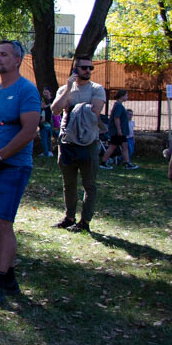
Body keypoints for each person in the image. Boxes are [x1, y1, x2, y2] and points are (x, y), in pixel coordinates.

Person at [0, 40, 41, 308]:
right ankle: (8, 278)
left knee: (3, 221)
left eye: (4, 54)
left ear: (17, 60)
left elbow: (29, 131)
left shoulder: (27, 90)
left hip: (13, 167)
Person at [51, 55, 105, 233]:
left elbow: (95, 111)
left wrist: (72, 108)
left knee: (89, 185)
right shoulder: (64, 89)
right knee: (69, 184)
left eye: (91, 68)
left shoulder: (97, 89)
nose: (88, 71)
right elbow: (55, 110)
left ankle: (85, 222)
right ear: (75, 69)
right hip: (67, 143)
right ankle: (69, 218)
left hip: (89, 143)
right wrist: (68, 89)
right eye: (84, 68)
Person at [101, 90, 138, 170]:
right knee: (113, 146)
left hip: (121, 131)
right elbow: (116, 118)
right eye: (126, 95)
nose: (127, 97)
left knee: (124, 146)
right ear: (122, 96)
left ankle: (127, 163)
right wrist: (119, 130)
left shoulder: (119, 105)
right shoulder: (118, 106)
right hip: (117, 131)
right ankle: (103, 162)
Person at [39, 89, 54, 157]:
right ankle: (50, 152)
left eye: (41, 103)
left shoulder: (43, 110)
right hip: (49, 125)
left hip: (44, 126)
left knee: (44, 140)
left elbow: (43, 119)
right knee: (48, 139)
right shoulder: (49, 107)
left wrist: (39, 122)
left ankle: (46, 153)